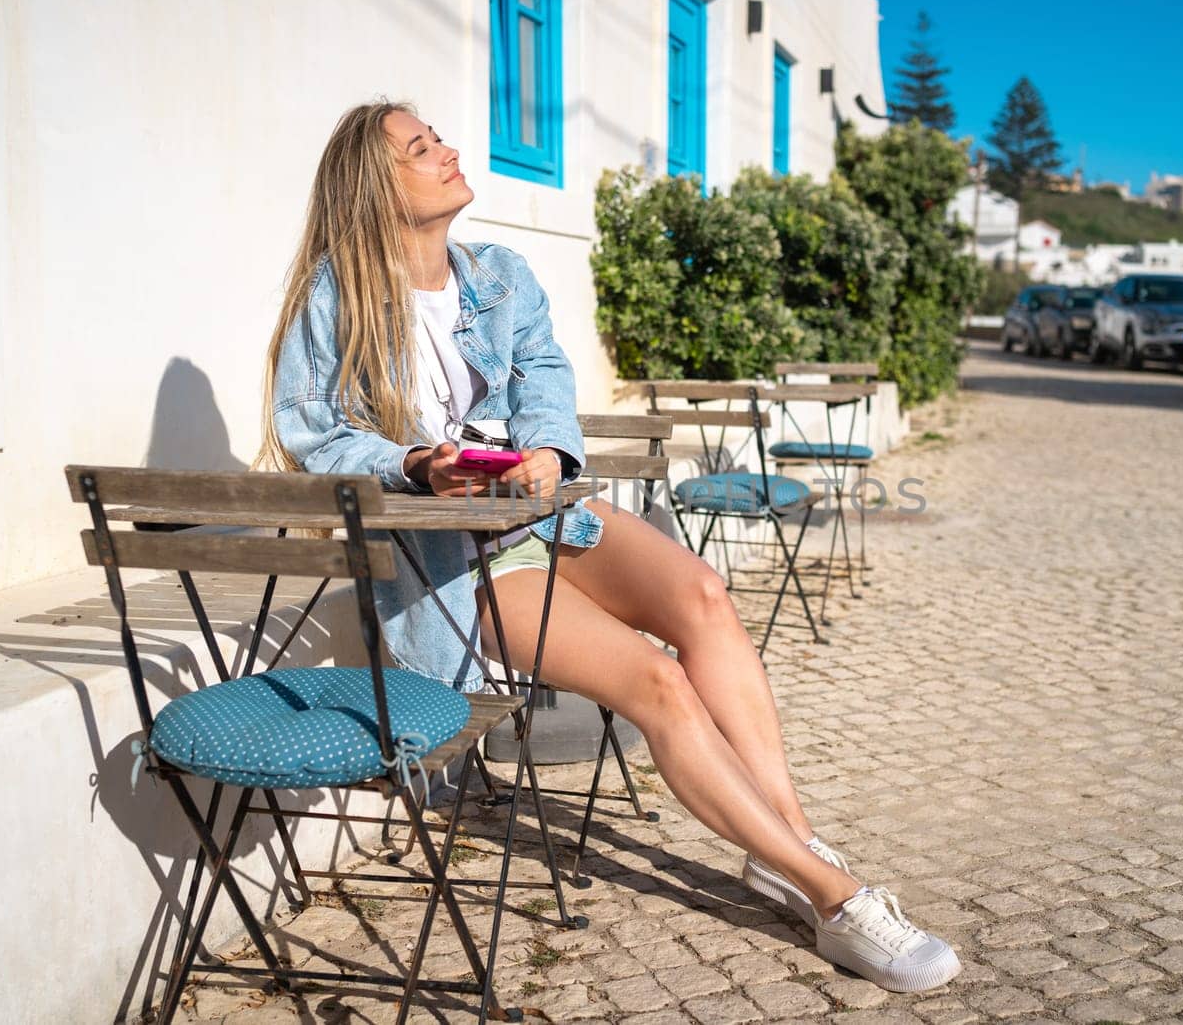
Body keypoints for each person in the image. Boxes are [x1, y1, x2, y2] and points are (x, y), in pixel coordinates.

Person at [257, 101, 959, 993]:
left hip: (539, 514)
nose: (450, 151)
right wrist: (412, 462)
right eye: (423, 148)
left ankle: (785, 843)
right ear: (375, 184)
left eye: (439, 139)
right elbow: (317, 437)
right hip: (450, 565)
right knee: (657, 683)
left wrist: (549, 452)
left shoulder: (500, 276)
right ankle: (836, 899)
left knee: (703, 595)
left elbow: (546, 378)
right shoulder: (337, 299)